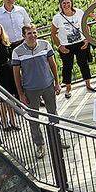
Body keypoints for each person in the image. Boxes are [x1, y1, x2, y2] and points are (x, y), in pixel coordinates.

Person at [11, 23, 60, 156]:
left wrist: (57, 82)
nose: (33, 36)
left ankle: (57, 140)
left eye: (34, 33)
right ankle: (39, 145)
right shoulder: (17, 51)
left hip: (48, 86)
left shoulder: (45, 44)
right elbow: (16, 74)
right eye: (29, 33)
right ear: (23, 36)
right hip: (30, 89)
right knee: (34, 118)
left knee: (53, 114)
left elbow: (52, 64)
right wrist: (21, 94)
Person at [50, 0, 94, 98]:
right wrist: (59, 46)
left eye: (68, 2)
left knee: (84, 64)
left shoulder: (79, 12)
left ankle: (88, 84)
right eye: (64, 3)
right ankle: (68, 89)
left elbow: (85, 26)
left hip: (81, 43)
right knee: (67, 67)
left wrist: (87, 40)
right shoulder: (57, 18)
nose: (66, 5)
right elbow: (53, 33)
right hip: (66, 46)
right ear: (60, 5)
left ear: (71, 2)